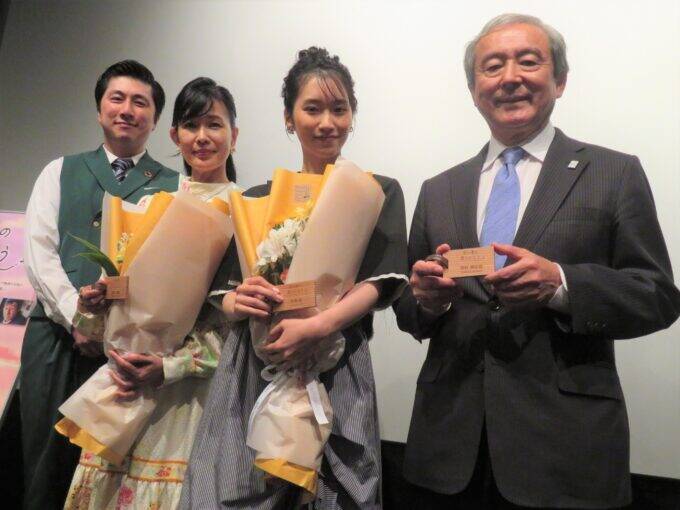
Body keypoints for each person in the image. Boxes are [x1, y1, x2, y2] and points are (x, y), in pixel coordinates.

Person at [393, 13, 680, 509]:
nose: (510, 78)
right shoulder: (439, 189)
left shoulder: (613, 173)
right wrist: (426, 301)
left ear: (560, 79)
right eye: (492, 66)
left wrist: (561, 284)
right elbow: (408, 307)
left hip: (565, 449)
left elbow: (656, 296)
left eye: (528, 61)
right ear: (474, 89)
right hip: (447, 447)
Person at [181, 47, 408, 509]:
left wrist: (319, 326)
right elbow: (223, 292)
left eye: (339, 109)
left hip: (338, 360)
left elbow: (378, 284)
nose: (327, 122)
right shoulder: (256, 197)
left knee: (336, 488)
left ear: (353, 115)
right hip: (256, 361)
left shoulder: (377, 190)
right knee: (241, 484)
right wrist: (241, 300)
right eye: (312, 109)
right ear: (289, 118)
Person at [63, 77, 242, 509]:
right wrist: (93, 305)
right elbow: (114, 308)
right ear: (175, 136)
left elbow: (242, 329)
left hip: (192, 398)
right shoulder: (146, 205)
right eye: (191, 125)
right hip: (128, 383)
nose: (202, 137)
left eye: (214, 125)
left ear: (234, 135)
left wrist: (171, 366)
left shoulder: (246, 212)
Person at [20, 60, 179, 510]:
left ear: (155, 119)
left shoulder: (176, 186)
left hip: (130, 352)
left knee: (112, 473)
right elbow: (39, 254)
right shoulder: (59, 171)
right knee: (44, 464)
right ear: (99, 109)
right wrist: (78, 317)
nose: (127, 109)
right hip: (55, 340)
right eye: (117, 98)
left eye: (140, 102)